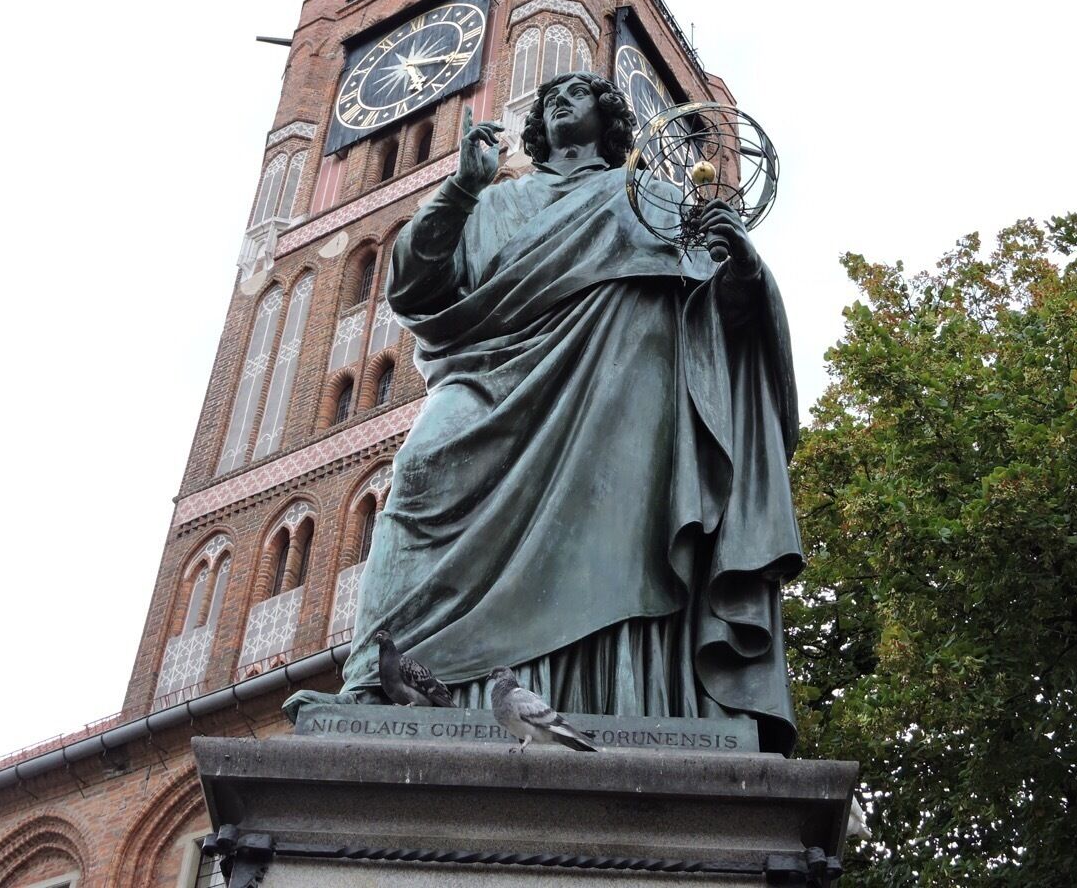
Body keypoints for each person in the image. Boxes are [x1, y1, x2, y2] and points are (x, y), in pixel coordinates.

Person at [295, 71, 804, 753]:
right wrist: (461, 186)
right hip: (490, 374)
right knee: (417, 475)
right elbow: (416, 287)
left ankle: (622, 695)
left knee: (621, 534)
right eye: (550, 97)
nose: (560, 101)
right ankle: (374, 673)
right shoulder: (496, 203)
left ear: (609, 117)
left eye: (579, 93)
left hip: (620, 387)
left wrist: (738, 262)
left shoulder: (650, 197)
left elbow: (719, 314)